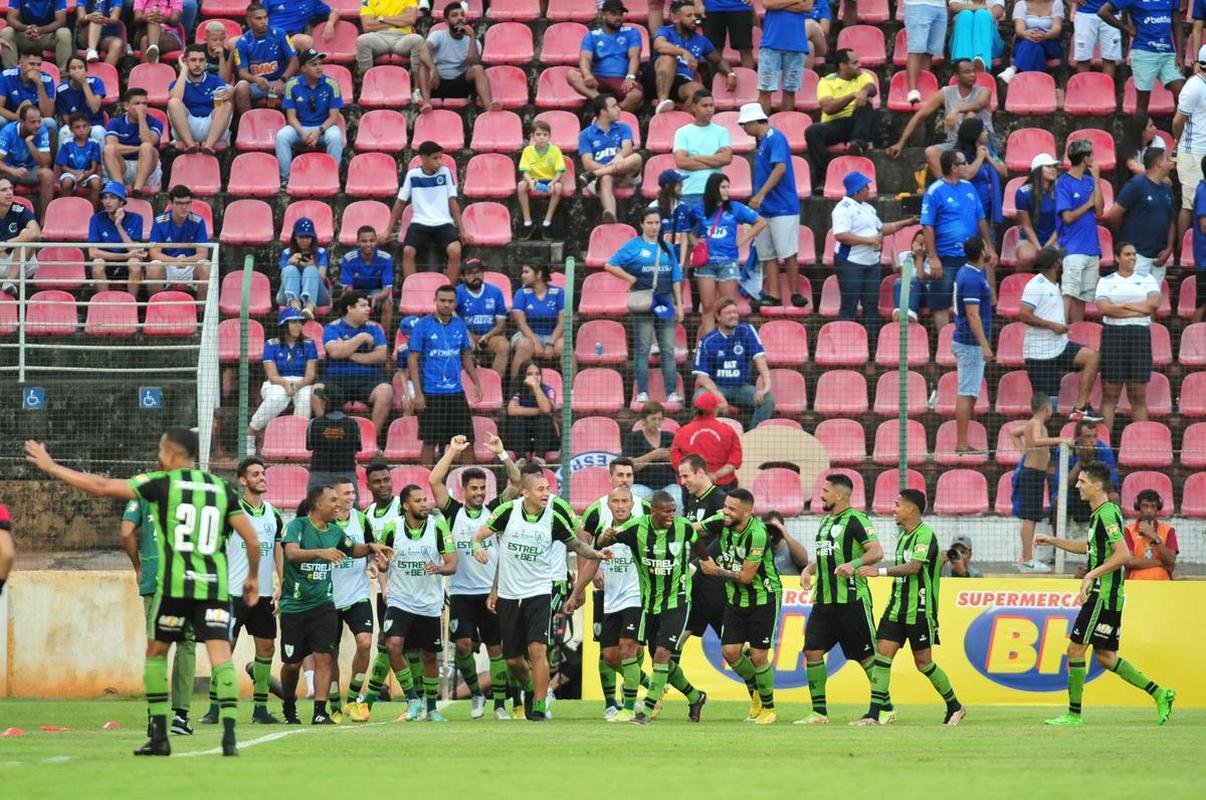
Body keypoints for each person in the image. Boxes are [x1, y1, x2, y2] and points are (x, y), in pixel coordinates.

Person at [24, 428, 262, 756]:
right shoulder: (222, 489)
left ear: (174, 454)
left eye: (162, 448)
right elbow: (253, 540)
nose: (158, 454)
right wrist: (252, 578)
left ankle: (160, 737)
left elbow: (102, 486)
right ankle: (230, 737)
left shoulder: (160, 484)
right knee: (220, 657)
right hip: (213, 589)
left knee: (155, 656)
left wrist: (52, 467)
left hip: (175, 588)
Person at [1035, 461, 1176, 726]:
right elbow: (1091, 549)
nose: (1077, 485)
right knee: (1105, 657)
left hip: (1103, 595)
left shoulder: (1107, 514)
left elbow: (1123, 554)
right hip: (1109, 595)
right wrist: (1053, 540)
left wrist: (1091, 574)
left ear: (1097, 485)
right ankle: (1160, 693)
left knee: (1075, 649)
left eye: (1082, 482)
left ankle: (1074, 715)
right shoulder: (1100, 513)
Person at [471, 471, 611, 721]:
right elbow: (478, 535)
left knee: (537, 649)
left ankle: (538, 703)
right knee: (513, 660)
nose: (546, 493)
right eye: (540, 489)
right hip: (509, 595)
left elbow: (577, 544)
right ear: (525, 492)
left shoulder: (554, 517)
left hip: (539, 593)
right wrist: (476, 548)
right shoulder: (507, 512)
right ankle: (530, 688)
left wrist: (596, 555)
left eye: (547, 488)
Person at [584, 490, 708, 725]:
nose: (672, 514)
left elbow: (703, 554)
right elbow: (602, 541)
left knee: (661, 654)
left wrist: (710, 569)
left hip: (677, 601)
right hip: (649, 604)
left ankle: (645, 710)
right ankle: (695, 696)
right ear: (654, 511)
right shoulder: (636, 528)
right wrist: (604, 538)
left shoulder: (684, 528)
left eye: (674, 510)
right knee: (658, 660)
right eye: (667, 511)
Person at [279, 483, 392, 725]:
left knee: (324, 657)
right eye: (332, 500)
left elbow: (353, 550)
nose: (337, 505)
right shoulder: (296, 526)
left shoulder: (335, 532)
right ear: (318, 504)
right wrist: (321, 553)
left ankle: (320, 712)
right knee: (292, 664)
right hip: (294, 606)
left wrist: (372, 547)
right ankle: (288, 703)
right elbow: (292, 553)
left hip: (323, 604)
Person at [855, 488, 966, 726]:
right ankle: (874, 714)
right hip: (896, 607)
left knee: (924, 663)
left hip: (919, 609)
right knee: (882, 657)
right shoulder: (904, 535)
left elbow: (915, 567)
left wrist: (879, 571)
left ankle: (955, 706)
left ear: (911, 509)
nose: (892, 509)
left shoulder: (924, 534)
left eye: (897, 505)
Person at [430, 434, 519, 720]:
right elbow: (434, 482)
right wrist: (452, 451)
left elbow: (517, 484)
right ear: (463, 489)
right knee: (464, 645)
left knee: (496, 648)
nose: (480, 493)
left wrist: (502, 453)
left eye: (483, 488)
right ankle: (476, 694)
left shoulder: (494, 511)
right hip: (461, 592)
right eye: (475, 488)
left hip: (492, 593)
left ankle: (501, 705)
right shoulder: (453, 512)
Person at [796, 472, 886, 725]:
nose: (820, 495)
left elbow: (876, 551)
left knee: (867, 657)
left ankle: (885, 707)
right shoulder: (826, 522)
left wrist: (854, 564)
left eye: (824, 491)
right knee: (812, 651)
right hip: (824, 601)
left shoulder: (857, 519)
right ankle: (819, 713)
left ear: (838, 494)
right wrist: (808, 569)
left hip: (852, 600)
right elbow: (828, 556)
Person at [696, 489, 782, 724]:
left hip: (763, 598)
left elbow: (746, 577)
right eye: (726, 506)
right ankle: (756, 690)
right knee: (730, 652)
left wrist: (715, 571)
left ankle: (769, 708)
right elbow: (692, 531)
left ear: (748, 512)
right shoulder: (720, 520)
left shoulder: (758, 534)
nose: (726, 511)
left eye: (732, 509)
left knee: (758, 656)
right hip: (735, 599)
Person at [210, 457, 285, 725]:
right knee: (224, 647)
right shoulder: (230, 513)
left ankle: (260, 710)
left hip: (264, 594)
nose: (262, 477)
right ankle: (215, 707)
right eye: (255, 474)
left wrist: (282, 582)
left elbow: (278, 549)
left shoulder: (273, 515)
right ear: (242, 480)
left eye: (263, 473)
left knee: (266, 649)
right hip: (232, 593)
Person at [119, 478, 197, 736]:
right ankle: (181, 717)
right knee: (186, 643)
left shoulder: (145, 491)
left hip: (154, 574)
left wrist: (139, 567)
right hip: (188, 576)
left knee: (157, 645)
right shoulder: (198, 489)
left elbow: (126, 531)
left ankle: (155, 716)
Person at [375, 483, 456, 723]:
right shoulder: (392, 529)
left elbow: (452, 564)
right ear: (406, 506)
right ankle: (412, 698)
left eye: (425, 500)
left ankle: (431, 708)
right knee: (393, 645)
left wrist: (439, 568)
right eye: (419, 501)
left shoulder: (439, 527)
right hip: (400, 600)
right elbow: (383, 562)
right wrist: (381, 564)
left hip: (429, 603)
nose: (426, 504)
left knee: (429, 657)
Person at [567, 483, 646, 721]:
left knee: (627, 648)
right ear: (608, 504)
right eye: (616, 502)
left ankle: (630, 708)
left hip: (636, 597)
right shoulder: (603, 529)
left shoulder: (642, 528)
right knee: (610, 656)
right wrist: (575, 594)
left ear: (633, 504)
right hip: (611, 599)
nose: (620, 506)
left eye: (625, 502)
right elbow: (593, 562)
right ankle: (648, 685)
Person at [604, 208, 684, 404]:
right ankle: (642, 392)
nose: (654, 227)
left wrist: (680, 305)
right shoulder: (632, 246)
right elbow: (610, 265)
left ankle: (671, 392)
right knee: (642, 348)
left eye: (657, 223)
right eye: (649, 223)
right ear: (641, 224)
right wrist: (630, 277)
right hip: (643, 302)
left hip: (665, 300)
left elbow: (675, 278)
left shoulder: (667, 247)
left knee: (667, 349)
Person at [1020, 246, 1103, 421]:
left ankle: (1080, 408)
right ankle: (1039, 444)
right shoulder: (1036, 284)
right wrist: (1052, 326)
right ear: (1057, 263)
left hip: (1059, 346)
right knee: (1047, 410)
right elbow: (1024, 314)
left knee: (1092, 357)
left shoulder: (1054, 285)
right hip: (1039, 354)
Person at [832, 170, 917, 336]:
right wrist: (869, 240)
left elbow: (882, 228)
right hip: (851, 263)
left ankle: (871, 348)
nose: (868, 189)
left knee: (871, 305)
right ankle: (844, 346)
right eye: (865, 186)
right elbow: (840, 235)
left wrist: (908, 222)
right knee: (849, 304)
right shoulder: (843, 208)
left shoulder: (867, 208)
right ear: (857, 190)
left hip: (871, 262)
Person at [738, 102, 805, 308]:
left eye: (745, 125)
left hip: (782, 206)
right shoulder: (764, 141)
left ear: (753, 121)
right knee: (768, 254)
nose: (744, 129)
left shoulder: (774, 138)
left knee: (788, 253)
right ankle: (774, 294)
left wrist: (761, 194)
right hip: (766, 208)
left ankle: (794, 293)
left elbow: (780, 168)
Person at [409, 283, 482, 466]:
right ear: (435, 301)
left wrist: (476, 383)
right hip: (431, 393)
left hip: (456, 393)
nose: (446, 304)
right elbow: (412, 360)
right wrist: (418, 394)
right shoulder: (422, 325)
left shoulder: (459, 324)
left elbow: (465, 355)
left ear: (455, 302)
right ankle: (425, 483)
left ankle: (469, 481)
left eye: (450, 301)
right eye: (442, 300)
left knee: (466, 441)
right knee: (430, 441)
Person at [324, 479, 377, 723]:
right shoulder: (324, 523)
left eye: (353, 491)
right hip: (330, 597)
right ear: (334, 497)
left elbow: (370, 550)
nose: (351, 496)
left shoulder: (362, 519)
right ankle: (334, 704)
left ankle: (354, 700)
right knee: (329, 653)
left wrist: (375, 564)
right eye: (346, 493)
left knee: (365, 643)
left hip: (358, 594)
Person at [922, 149, 993, 330]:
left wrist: (990, 247)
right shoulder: (935, 191)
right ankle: (944, 347)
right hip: (945, 256)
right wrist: (933, 257)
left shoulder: (969, 187)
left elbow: (981, 218)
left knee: (974, 299)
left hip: (971, 256)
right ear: (954, 168)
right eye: (964, 163)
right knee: (941, 302)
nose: (967, 167)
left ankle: (973, 342)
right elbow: (927, 225)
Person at [887, 58, 993, 178]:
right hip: (956, 143)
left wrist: (956, 110)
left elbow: (979, 104)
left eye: (974, 71)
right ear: (956, 76)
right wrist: (901, 143)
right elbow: (920, 115)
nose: (972, 75)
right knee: (930, 152)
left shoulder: (984, 91)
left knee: (970, 115)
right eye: (967, 72)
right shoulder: (945, 93)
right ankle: (946, 187)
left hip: (982, 143)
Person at [1096, 241, 1160, 433]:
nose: (1132, 257)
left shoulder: (1148, 278)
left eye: (1134, 254)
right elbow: (1104, 308)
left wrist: (1122, 306)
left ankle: (1141, 446)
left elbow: (1153, 304)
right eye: (1127, 254)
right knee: (1110, 396)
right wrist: (1139, 309)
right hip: (1113, 335)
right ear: (1117, 257)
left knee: (1138, 397)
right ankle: (1103, 447)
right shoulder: (1106, 281)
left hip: (1139, 336)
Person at [692, 172, 762, 334]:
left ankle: (728, 342)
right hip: (706, 264)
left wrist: (742, 240)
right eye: (723, 187)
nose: (726, 191)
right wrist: (695, 242)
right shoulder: (699, 209)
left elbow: (760, 222)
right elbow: (687, 229)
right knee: (708, 305)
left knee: (728, 306)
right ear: (713, 188)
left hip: (728, 261)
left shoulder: (735, 208)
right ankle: (709, 343)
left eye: (727, 187)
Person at [387, 139, 465, 282]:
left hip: (443, 222)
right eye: (435, 158)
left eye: (440, 157)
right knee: (408, 251)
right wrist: (388, 230)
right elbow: (400, 202)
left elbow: (452, 202)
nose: (439, 161)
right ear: (423, 159)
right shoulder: (412, 175)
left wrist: (462, 230)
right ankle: (412, 289)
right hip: (420, 222)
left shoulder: (445, 173)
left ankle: (449, 290)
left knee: (455, 250)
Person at [322, 290, 393, 445]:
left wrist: (349, 354)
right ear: (350, 308)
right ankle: (324, 439)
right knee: (317, 392)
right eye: (363, 305)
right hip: (336, 379)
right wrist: (360, 338)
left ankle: (371, 441)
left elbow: (381, 356)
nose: (368, 309)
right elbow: (335, 352)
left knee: (386, 391)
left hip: (369, 380)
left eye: (368, 305)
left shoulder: (374, 328)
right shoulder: (332, 328)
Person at [247, 307, 319, 455]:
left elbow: (311, 375)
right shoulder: (271, 344)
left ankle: (298, 441)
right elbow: (272, 375)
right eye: (293, 322)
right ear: (283, 325)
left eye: (300, 322)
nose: (298, 326)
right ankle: (251, 431)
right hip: (277, 382)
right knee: (278, 396)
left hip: (303, 382)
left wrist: (297, 385)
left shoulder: (309, 344)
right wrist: (286, 384)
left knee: (306, 398)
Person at [692, 297, 774, 426]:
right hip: (717, 386)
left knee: (768, 399)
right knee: (699, 398)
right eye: (728, 313)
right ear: (718, 317)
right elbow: (702, 377)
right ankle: (707, 437)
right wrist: (718, 396)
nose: (733, 316)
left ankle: (753, 439)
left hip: (741, 387)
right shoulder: (707, 341)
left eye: (735, 312)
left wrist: (766, 387)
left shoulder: (746, 330)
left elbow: (760, 359)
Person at [1009, 394, 1069, 572]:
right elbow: (1035, 440)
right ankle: (1027, 560)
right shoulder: (1036, 424)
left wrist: (1024, 451)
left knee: (1031, 517)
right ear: (1047, 408)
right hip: (1032, 474)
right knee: (1030, 518)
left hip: (1034, 474)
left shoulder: (1033, 423)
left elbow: (1014, 434)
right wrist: (1059, 440)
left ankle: (1025, 558)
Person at [1098, 0, 1184, 118]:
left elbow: (1177, 23)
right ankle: (1139, 135)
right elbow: (1103, 12)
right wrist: (1128, 29)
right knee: (1142, 103)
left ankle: (1183, 134)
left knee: (1185, 96)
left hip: (1168, 54)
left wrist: (1179, 54)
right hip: (1144, 53)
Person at [649, 0, 736, 115]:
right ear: (675, 18)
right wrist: (683, 52)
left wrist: (730, 74)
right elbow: (659, 45)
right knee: (669, 58)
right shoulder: (666, 31)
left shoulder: (701, 40)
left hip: (681, 82)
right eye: (689, 15)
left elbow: (718, 60)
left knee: (698, 91)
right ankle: (662, 101)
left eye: (695, 15)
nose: (694, 18)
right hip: (657, 78)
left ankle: (680, 122)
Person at [805, 49, 876, 186]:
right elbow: (828, 108)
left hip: (858, 121)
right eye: (854, 63)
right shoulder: (826, 82)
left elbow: (872, 88)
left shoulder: (863, 75)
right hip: (835, 124)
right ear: (843, 66)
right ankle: (823, 178)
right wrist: (851, 96)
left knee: (865, 104)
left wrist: (864, 92)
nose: (859, 65)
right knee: (812, 131)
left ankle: (858, 144)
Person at [678, 452, 728, 642]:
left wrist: (699, 563)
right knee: (675, 640)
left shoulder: (719, 497)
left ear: (700, 473)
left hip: (713, 584)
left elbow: (726, 526)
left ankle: (757, 671)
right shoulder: (693, 502)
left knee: (732, 648)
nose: (683, 481)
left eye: (686, 476)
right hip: (695, 582)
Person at [951, 236, 994, 454]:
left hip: (971, 343)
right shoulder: (970, 278)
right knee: (966, 392)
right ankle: (961, 443)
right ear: (981, 251)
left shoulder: (976, 273)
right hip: (969, 343)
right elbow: (972, 314)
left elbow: (991, 300)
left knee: (971, 391)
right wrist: (984, 345)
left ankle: (964, 441)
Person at [275, 48, 344, 185]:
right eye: (314, 64)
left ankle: (332, 177)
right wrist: (304, 134)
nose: (319, 67)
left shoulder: (332, 84)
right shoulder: (291, 85)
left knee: (335, 136)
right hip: (300, 128)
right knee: (282, 136)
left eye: (320, 64)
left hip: (324, 127)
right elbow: (291, 117)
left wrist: (318, 132)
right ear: (303, 69)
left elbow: (333, 117)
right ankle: (286, 178)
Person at [1109, 148, 1175, 287]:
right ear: (1159, 163)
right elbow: (1114, 214)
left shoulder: (1167, 189)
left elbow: (1171, 221)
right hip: (1137, 255)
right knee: (1133, 299)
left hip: (1158, 256)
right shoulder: (1137, 184)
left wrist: (1169, 248)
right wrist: (1122, 237)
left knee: (1153, 301)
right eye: (1168, 159)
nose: (1172, 163)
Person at [1056, 138, 1104, 324]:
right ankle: (1060, 333)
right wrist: (1088, 204)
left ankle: (1076, 337)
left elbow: (1099, 210)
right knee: (1068, 293)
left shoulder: (1090, 181)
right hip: (1072, 248)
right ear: (1085, 158)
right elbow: (1067, 217)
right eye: (1091, 155)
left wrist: (1097, 180)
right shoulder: (1063, 182)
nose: (1094, 158)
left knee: (1082, 298)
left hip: (1092, 248)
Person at [417, 4, 496, 113]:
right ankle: (426, 102)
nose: (460, 18)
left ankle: (488, 107)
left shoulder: (474, 41)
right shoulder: (438, 35)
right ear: (446, 20)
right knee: (424, 64)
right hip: (436, 83)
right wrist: (432, 68)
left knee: (477, 69)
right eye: (454, 15)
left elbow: (474, 62)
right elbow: (423, 50)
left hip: (459, 85)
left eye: (462, 15)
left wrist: (472, 37)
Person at [568, 0, 645, 112]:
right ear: (603, 15)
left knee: (636, 94)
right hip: (599, 79)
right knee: (572, 75)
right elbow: (585, 58)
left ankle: (615, 111)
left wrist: (630, 76)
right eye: (613, 13)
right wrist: (588, 75)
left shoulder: (632, 32)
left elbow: (635, 56)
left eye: (620, 14)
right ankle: (602, 102)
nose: (618, 17)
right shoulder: (592, 35)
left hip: (621, 80)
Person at [578, 94, 642, 224]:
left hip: (624, 173)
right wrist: (609, 168)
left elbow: (627, 149)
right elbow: (587, 163)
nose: (619, 109)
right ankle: (610, 215)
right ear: (603, 112)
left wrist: (618, 158)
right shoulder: (585, 135)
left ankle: (595, 175)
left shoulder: (624, 128)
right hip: (602, 177)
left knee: (637, 157)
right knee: (606, 177)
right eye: (614, 106)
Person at [167, 44, 233, 155]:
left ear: (206, 62)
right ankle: (190, 145)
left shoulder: (215, 80)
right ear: (185, 61)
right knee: (173, 103)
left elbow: (223, 95)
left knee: (226, 104)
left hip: (212, 128)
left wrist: (227, 94)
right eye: (193, 60)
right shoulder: (177, 83)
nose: (197, 64)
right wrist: (183, 70)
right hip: (186, 129)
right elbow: (175, 99)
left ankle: (209, 146)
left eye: (201, 60)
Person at [234, 3, 299, 114]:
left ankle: (295, 123)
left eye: (265, 17)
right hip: (257, 84)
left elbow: (294, 61)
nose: (263, 21)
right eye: (258, 18)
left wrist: (282, 80)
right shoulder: (242, 42)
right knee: (241, 89)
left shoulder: (280, 34)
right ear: (249, 21)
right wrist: (256, 79)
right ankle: (249, 123)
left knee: (297, 85)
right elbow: (242, 73)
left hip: (281, 80)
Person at [148, 184, 210, 299]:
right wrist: (175, 261)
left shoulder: (198, 222)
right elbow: (154, 253)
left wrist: (186, 261)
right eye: (179, 203)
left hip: (190, 265)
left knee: (206, 266)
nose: (184, 207)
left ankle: (202, 314)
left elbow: (203, 253)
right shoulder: (159, 222)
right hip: (168, 265)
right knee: (153, 267)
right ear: (170, 204)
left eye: (187, 203)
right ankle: (155, 310)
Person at [670, 392, 741, 489]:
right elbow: (734, 461)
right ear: (714, 409)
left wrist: (697, 477)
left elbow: (676, 462)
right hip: (723, 485)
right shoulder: (728, 430)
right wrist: (715, 476)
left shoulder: (682, 432)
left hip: (693, 486)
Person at [87, 179, 146, 297]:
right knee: (97, 264)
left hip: (126, 263)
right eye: (105, 197)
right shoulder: (96, 218)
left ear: (122, 201)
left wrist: (119, 225)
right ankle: (104, 304)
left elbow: (135, 252)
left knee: (134, 263)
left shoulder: (136, 218)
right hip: (107, 261)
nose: (107, 201)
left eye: (112, 197)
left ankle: (132, 304)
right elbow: (93, 253)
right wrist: (126, 256)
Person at [673, 89, 731, 205]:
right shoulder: (682, 132)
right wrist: (714, 159)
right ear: (694, 107)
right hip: (689, 192)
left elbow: (726, 159)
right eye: (705, 106)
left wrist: (695, 157)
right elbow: (681, 162)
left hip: (715, 192)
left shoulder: (722, 132)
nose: (709, 109)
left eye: (711, 105)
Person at [103, 88, 164, 198]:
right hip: (123, 166)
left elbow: (148, 141)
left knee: (147, 147)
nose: (142, 107)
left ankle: (137, 189)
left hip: (147, 168)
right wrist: (138, 149)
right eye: (137, 103)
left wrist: (141, 117)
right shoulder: (115, 123)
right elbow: (112, 146)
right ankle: (119, 189)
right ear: (126, 106)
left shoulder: (155, 122)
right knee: (108, 149)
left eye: (144, 103)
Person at [509, 263, 565, 380]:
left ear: (538, 274)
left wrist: (550, 343)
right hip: (528, 335)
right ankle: (515, 391)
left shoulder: (559, 293)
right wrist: (535, 342)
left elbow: (562, 322)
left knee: (564, 346)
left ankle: (570, 391)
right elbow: (521, 323)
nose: (522, 275)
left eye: (526, 272)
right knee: (525, 345)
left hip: (553, 335)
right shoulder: (521, 293)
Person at [954, 116, 1006, 242]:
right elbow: (966, 175)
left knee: (989, 246)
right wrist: (979, 158)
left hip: (989, 210)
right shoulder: (959, 155)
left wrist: (989, 158)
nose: (986, 133)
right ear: (974, 134)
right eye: (983, 130)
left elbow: (1004, 172)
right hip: (970, 211)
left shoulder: (989, 151)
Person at [455, 258, 509, 375]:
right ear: (463, 277)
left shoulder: (495, 292)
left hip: (490, 335)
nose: (476, 276)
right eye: (470, 273)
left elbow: (501, 325)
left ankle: (495, 386)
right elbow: (450, 314)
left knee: (503, 345)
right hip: (467, 335)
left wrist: (487, 336)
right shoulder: (457, 292)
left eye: (479, 272)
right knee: (462, 344)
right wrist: (467, 334)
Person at [338, 225, 393, 335]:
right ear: (358, 242)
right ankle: (345, 336)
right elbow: (348, 288)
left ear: (376, 241)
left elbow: (387, 290)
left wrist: (374, 298)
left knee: (387, 303)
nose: (368, 244)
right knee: (344, 300)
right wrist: (360, 300)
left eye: (372, 241)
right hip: (355, 292)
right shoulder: (349, 258)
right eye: (364, 241)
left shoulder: (386, 258)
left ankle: (383, 340)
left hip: (376, 292)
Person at [0, 102, 52, 217]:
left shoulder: (41, 131)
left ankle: (45, 220)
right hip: (10, 171)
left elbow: (45, 163)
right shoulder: (8, 131)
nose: (37, 125)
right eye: (33, 122)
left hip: (30, 171)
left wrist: (30, 143)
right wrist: (12, 170)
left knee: (47, 174)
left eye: (39, 121)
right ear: (22, 121)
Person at [1174, 49, 1206, 236]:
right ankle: (1181, 250)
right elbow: (1178, 121)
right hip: (1193, 151)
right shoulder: (1193, 86)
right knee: (1190, 203)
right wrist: (1178, 141)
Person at [756, 0, 808, 114]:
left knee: (790, 90)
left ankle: (785, 127)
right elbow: (767, 4)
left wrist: (778, 5)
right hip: (771, 42)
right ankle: (761, 129)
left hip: (796, 44)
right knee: (765, 89)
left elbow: (807, 6)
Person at [516, 119, 565, 240]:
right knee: (521, 186)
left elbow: (559, 171)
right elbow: (525, 171)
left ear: (549, 136)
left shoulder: (555, 150)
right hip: (533, 179)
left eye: (545, 135)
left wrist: (552, 183)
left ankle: (547, 222)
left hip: (550, 179)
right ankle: (527, 222)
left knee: (558, 188)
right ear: (532, 136)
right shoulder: (528, 151)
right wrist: (530, 182)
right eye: (538, 134)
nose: (542, 137)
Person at [306, 386, 360, 492]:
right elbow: (357, 447)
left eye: (321, 399)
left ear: (325, 402)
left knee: (315, 507)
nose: (320, 401)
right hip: (347, 473)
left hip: (319, 474)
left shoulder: (314, 423)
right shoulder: (353, 424)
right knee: (351, 508)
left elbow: (309, 446)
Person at [998, 0, 1064, 83]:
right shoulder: (1021, 4)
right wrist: (1027, 34)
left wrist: (1045, 35)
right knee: (1036, 48)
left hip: (1049, 42)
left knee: (1033, 43)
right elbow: (1019, 29)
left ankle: (1013, 68)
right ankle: (1038, 84)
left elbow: (1057, 28)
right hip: (1025, 42)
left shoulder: (1056, 3)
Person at [276, 217, 329, 318]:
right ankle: (295, 308)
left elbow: (322, 276)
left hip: (317, 295)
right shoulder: (286, 253)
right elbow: (283, 277)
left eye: (308, 237)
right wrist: (289, 263)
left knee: (311, 270)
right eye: (301, 237)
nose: (305, 241)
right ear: (295, 237)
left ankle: (309, 308)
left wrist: (313, 265)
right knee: (290, 269)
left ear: (313, 238)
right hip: (288, 296)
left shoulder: (321, 252)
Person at [624, 401, 677, 500]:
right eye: (653, 419)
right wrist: (651, 456)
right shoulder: (633, 438)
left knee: (677, 496)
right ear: (643, 421)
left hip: (668, 485)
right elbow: (629, 466)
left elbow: (679, 465)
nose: (657, 422)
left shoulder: (670, 437)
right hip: (641, 485)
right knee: (634, 496)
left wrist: (671, 458)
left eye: (660, 419)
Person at [506, 359, 558, 461]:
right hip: (523, 435)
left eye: (537, 374)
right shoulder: (518, 390)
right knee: (517, 419)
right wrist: (539, 410)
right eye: (530, 374)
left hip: (545, 436)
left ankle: (539, 458)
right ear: (523, 376)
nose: (534, 377)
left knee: (544, 418)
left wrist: (536, 387)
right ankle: (520, 458)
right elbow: (511, 410)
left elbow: (546, 409)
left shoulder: (548, 390)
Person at [0, 0, 72, 73]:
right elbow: (10, 19)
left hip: (48, 36)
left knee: (64, 33)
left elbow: (61, 21)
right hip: (25, 35)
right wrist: (27, 29)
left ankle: (64, 76)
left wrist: (40, 30)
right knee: (7, 32)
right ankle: (11, 74)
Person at [1015, 153, 1059, 270]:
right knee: (1026, 257)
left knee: (1063, 259)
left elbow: (1062, 223)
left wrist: (1048, 247)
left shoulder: (1061, 190)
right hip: (1030, 239)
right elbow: (1026, 226)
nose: (1053, 169)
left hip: (1055, 238)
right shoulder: (1022, 193)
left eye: (1054, 166)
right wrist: (1040, 249)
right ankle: (1019, 286)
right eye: (1048, 166)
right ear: (1038, 170)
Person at [1123, 489, 1178, 580]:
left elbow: (1170, 561)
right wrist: (1160, 562)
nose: (1149, 510)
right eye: (1145, 506)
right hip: (1135, 585)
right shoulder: (1128, 530)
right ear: (1138, 507)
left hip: (1163, 584)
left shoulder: (1168, 530)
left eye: (1153, 506)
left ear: (1158, 508)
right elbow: (1129, 562)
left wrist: (1154, 536)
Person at [901, 0, 949, 104]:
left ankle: (924, 88)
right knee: (916, 49)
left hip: (940, 6)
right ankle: (912, 90)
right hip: (918, 5)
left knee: (930, 51)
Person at [356, 0, 422, 74]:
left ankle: (417, 84)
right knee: (362, 40)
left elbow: (410, 19)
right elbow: (367, 26)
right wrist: (399, 23)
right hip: (379, 37)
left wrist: (382, 18)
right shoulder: (369, 1)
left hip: (402, 37)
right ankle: (368, 81)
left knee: (417, 39)